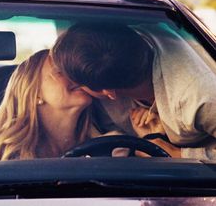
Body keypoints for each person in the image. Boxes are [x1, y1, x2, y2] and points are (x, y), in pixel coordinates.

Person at [51, 22, 216, 159]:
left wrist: (178, 154)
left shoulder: (200, 97)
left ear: (108, 92)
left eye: (79, 85)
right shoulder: (124, 43)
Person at [0, 49, 98, 161]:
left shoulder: (102, 145)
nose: (76, 77)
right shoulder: (9, 159)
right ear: (35, 93)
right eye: (60, 72)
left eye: (75, 70)